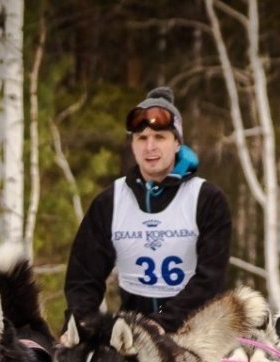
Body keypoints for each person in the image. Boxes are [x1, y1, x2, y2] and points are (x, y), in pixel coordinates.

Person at [63, 86, 232, 333]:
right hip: (133, 333)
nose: (149, 147)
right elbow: (83, 278)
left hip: (195, 331)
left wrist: (163, 320)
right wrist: (81, 324)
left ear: (177, 143)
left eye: (160, 137)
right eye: (141, 138)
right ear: (132, 145)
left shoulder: (207, 199)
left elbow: (210, 280)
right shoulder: (111, 201)